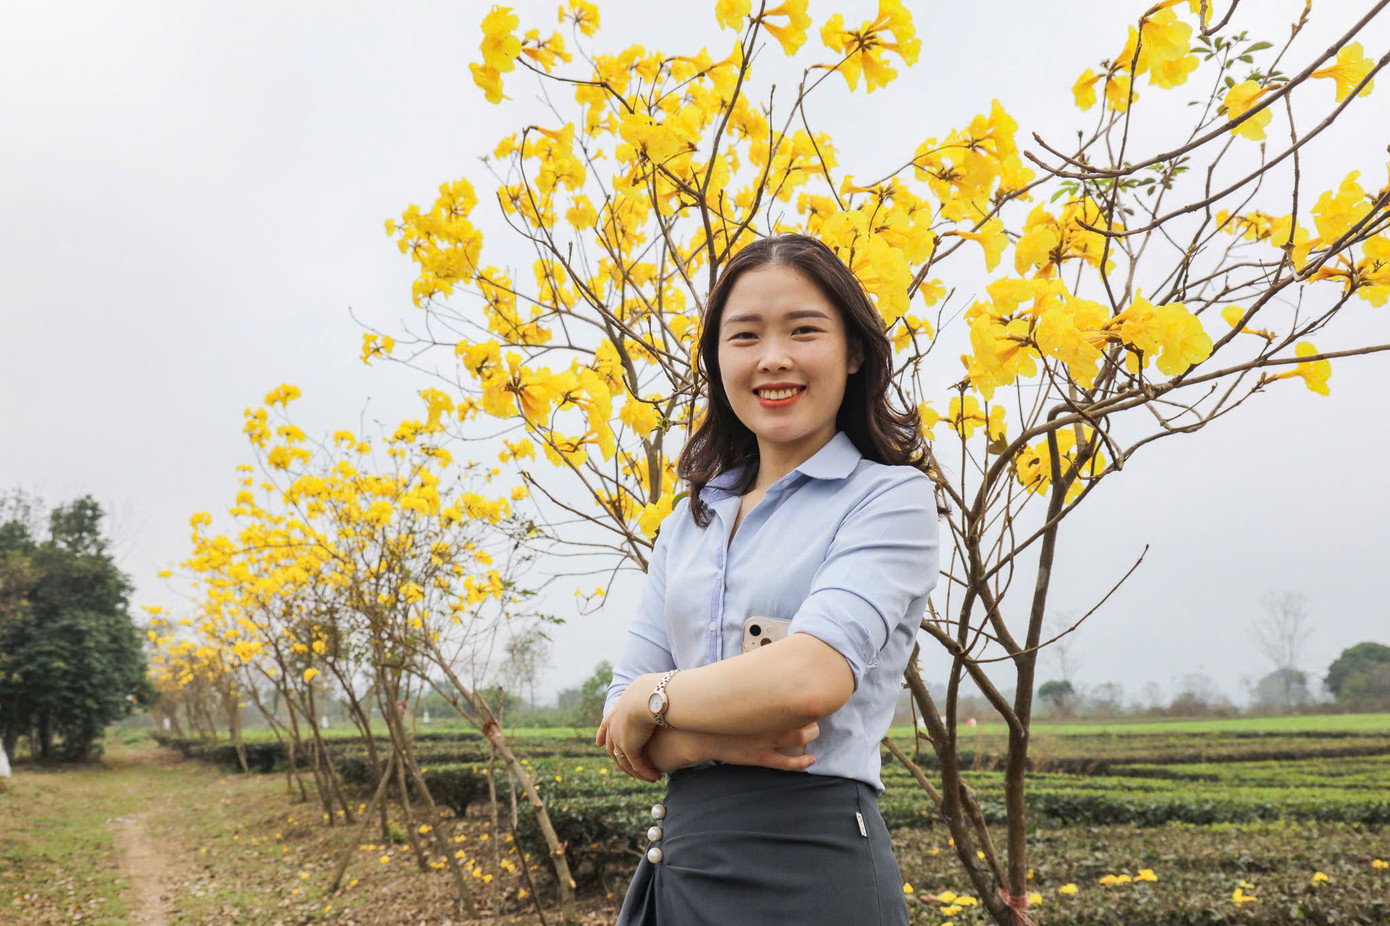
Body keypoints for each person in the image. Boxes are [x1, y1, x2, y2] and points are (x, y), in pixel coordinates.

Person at [596, 233, 942, 925]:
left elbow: (807, 682)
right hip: (682, 867)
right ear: (718, 360)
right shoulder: (686, 526)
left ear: (853, 353)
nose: (773, 358)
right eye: (745, 335)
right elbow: (617, 726)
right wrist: (698, 731)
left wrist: (652, 700)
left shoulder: (888, 498)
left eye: (804, 330)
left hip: (813, 872)